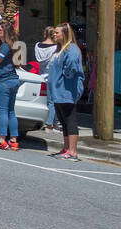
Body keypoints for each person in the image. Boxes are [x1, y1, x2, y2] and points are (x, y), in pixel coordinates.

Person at [48, 23, 85, 161]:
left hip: (67, 90)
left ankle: (73, 151)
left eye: (57, 32)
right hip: (57, 91)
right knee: (63, 121)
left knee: (70, 120)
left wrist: (65, 76)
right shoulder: (59, 49)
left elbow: (72, 67)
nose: (55, 34)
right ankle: (66, 148)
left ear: (65, 34)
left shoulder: (71, 49)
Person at [0, 22, 22, 150]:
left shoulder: (5, 46)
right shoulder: (14, 45)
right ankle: (14, 141)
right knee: (11, 111)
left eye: (0, 30)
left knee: (3, 111)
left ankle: (2, 140)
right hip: (13, 80)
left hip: (4, 81)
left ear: (6, 33)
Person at [34, 26, 58, 132]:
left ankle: (54, 123)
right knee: (52, 102)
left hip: (41, 75)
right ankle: (49, 124)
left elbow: (38, 60)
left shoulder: (37, 45)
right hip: (51, 75)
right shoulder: (56, 47)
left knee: (44, 101)